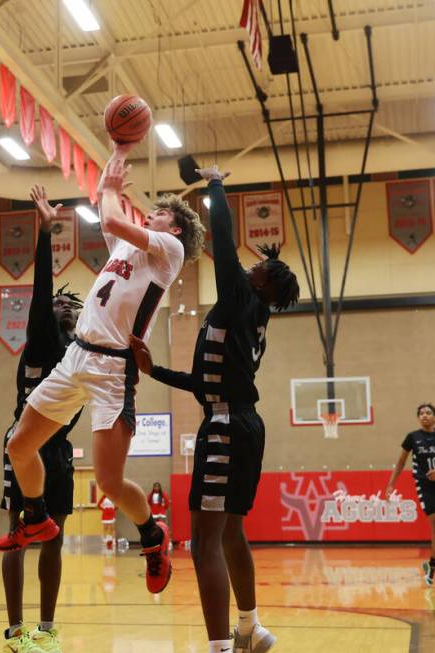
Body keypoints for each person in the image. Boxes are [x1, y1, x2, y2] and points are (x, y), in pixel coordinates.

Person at [0, 148, 204, 602]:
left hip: (113, 369)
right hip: (76, 357)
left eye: (162, 212)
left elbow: (110, 217)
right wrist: (114, 155)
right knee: (19, 445)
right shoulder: (132, 246)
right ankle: (36, 516)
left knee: (109, 482)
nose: (152, 213)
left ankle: (152, 535)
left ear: (176, 227)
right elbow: (107, 216)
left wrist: (112, 186)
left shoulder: (169, 251)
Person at [130, 165, 299, 653]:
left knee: (204, 541)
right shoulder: (250, 315)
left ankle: (220, 647)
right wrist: (155, 370)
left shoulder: (240, 297)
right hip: (241, 420)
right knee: (230, 535)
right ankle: (249, 628)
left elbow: (222, 240)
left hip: (225, 425)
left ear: (262, 285)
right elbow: (206, 381)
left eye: (257, 269)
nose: (247, 267)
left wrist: (216, 183)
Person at [0, 185, 82, 652]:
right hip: (26, 442)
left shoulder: (78, 353)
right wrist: (46, 233)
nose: (64, 304)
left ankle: (46, 630)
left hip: (60, 449)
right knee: (18, 535)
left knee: (55, 538)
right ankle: (15, 632)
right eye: (59, 302)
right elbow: (43, 290)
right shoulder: (43, 341)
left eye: (72, 304)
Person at [386, 403, 435, 592]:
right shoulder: (413, 437)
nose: (424, 416)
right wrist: (390, 484)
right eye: (421, 413)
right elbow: (400, 462)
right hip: (425, 485)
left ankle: (431, 565)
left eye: (428, 413)